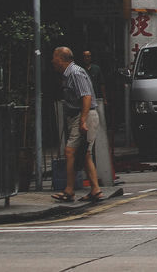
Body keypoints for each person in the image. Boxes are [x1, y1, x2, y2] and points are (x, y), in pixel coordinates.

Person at [52, 46, 103, 203]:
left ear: (61, 59)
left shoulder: (75, 73)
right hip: (81, 116)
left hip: (84, 116)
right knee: (85, 154)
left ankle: (69, 190)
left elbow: (86, 97)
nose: (52, 61)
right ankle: (95, 190)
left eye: (54, 57)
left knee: (70, 152)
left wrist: (82, 120)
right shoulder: (69, 74)